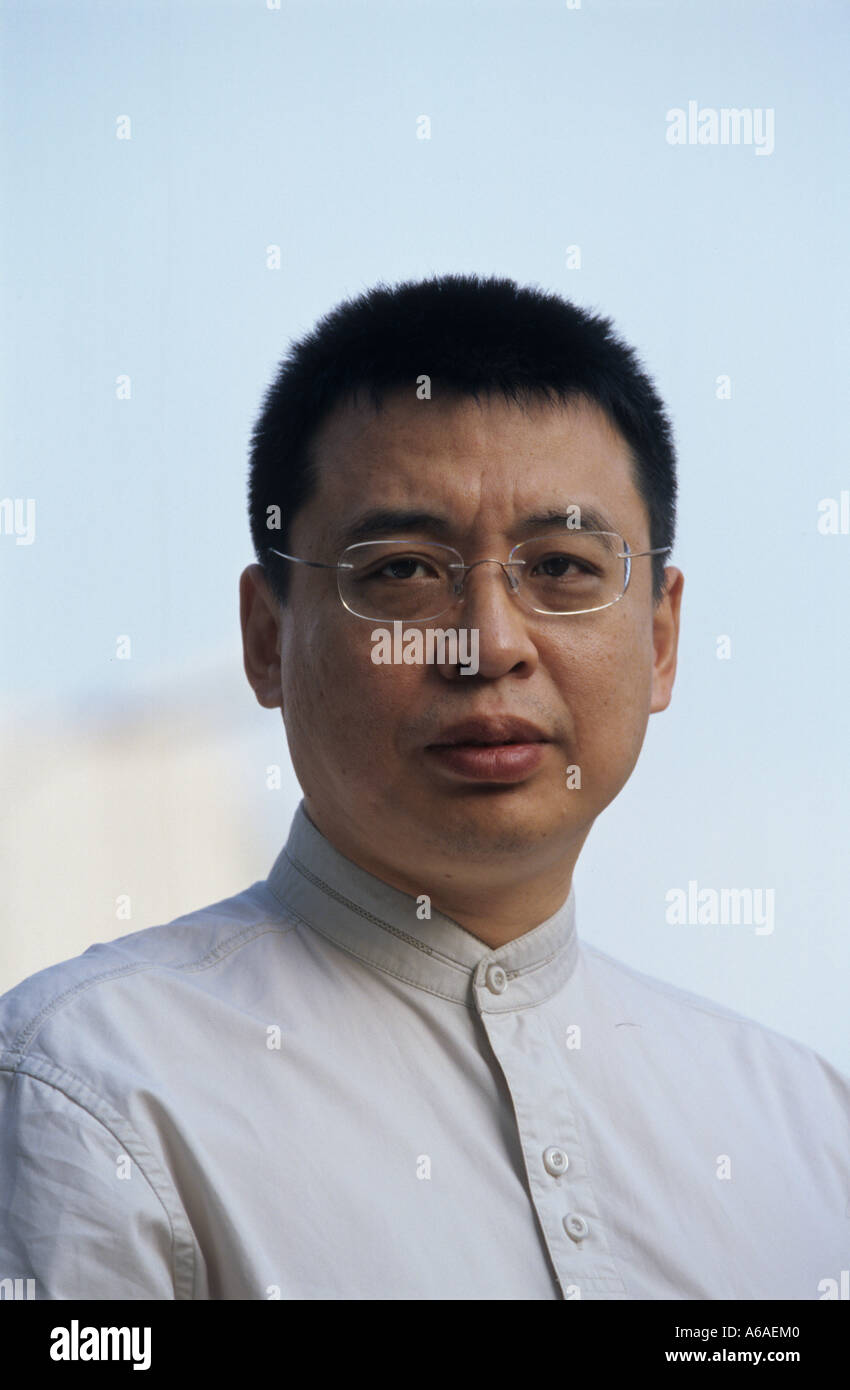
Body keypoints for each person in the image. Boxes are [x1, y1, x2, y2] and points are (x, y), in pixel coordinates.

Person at [1, 274, 847, 1301]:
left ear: (661, 640)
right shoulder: (92, 1088)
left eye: (564, 567)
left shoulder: (804, 1129)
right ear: (266, 639)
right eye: (401, 570)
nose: (487, 645)